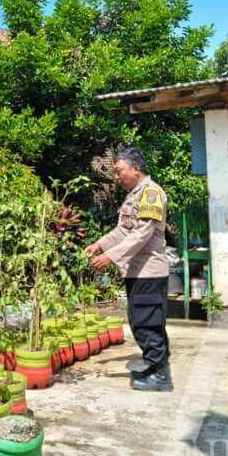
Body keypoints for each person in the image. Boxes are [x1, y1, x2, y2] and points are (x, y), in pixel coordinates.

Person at [85, 147, 172, 391]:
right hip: (138, 272)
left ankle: (159, 376)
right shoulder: (135, 195)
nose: (116, 176)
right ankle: (156, 365)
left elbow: (142, 233)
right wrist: (100, 244)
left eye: (119, 171)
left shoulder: (151, 193)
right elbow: (123, 230)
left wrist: (110, 257)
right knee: (142, 320)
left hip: (149, 272)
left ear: (136, 168)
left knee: (147, 323)